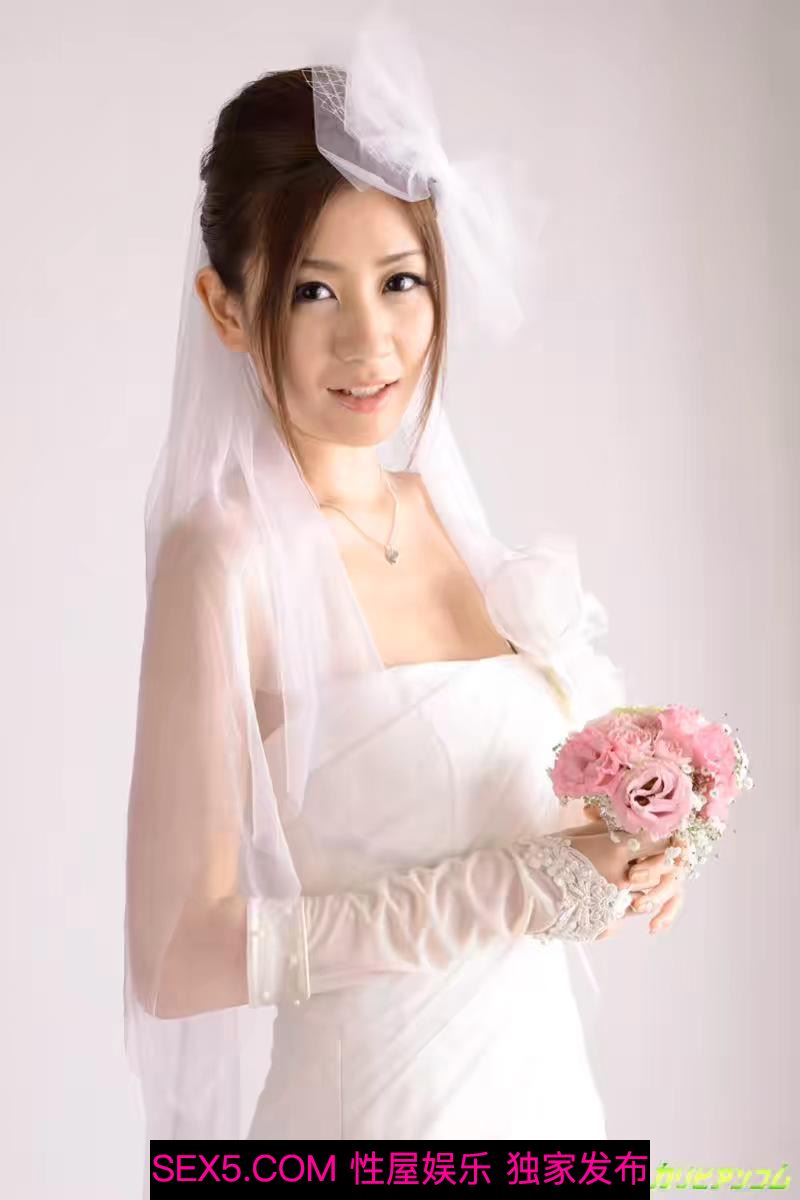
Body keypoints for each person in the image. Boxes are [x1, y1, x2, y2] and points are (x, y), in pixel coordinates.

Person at [123, 20, 686, 1168]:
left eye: (399, 282)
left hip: (544, 1116)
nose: (369, 341)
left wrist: (631, 848)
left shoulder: (450, 522)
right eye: (312, 291)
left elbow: (513, 838)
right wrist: (517, 891)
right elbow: (176, 961)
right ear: (227, 308)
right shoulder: (223, 556)